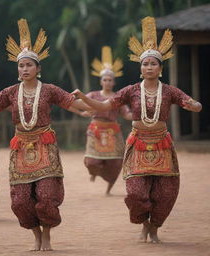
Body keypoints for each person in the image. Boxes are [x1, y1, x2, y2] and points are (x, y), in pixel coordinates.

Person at [0, 19, 89, 251]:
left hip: (44, 146)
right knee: (21, 200)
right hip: (21, 149)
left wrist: (90, 108)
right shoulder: (10, 92)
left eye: (29, 65)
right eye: (21, 65)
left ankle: (46, 236)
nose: (24, 69)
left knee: (46, 195)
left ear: (38, 68)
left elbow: (71, 102)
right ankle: (35, 235)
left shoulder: (49, 90)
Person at [72, 17, 202, 243]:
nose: (149, 67)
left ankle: (154, 228)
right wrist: (83, 97)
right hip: (138, 143)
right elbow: (104, 106)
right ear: (140, 68)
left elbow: (192, 104)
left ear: (160, 68)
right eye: (145, 64)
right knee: (136, 192)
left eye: (153, 63)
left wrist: (194, 105)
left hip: (161, 143)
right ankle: (143, 224)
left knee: (164, 192)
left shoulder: (170, 91)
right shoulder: (130, 91)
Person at [70, 46, 132, 195]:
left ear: (114, 82)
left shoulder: (118, 97)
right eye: (105, 79)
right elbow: (73, 103)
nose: (108, 82)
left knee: (117, 163)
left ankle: (109, 189)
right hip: (96, 130)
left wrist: (139, 113)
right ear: (101, 81)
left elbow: (127, 114)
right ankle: (95, 172)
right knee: (91, 162)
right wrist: (81, 113)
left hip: (113, 131)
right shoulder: (92, 95)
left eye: (110, 79)